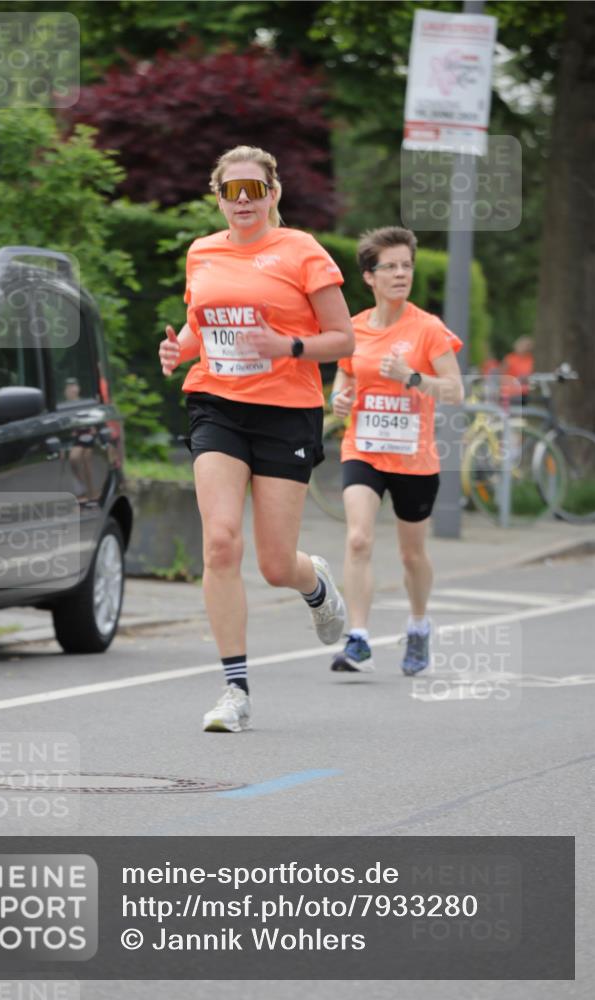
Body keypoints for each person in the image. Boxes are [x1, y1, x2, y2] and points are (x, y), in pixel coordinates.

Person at [158, 145, 354, 732]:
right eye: (230, 191)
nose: (242, 201)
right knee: (220, 543)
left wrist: (289, 347)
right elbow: (201, 324)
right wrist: (180, 349)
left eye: (253, 190)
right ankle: (234, 690)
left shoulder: (301, 251)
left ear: (273, 194)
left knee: (273, 563)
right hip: (216, 402)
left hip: (286, 410)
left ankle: (314, 583)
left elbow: (342, 339)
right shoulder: (202, 252)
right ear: (216, 195)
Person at [329, 226, 463, 677]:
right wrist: (340, 398)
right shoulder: (354, 328)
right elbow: (344, 377)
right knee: (358, 537)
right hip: (363, 448)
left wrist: (413, 377)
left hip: (413, 457)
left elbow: (455, 391)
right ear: (370, 276)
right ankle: (359, 638)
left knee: (412, 555)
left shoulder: (427, 329)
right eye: (391, 266)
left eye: (407, 265)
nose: (401, 274)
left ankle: (419, 624)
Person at [500, 336, 534, 407]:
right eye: (523, 345)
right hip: (511, 393)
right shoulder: (510, 359)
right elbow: (502, 375)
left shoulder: (530, 359)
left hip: (525, 393)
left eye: (528, 346)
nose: (525, 348)